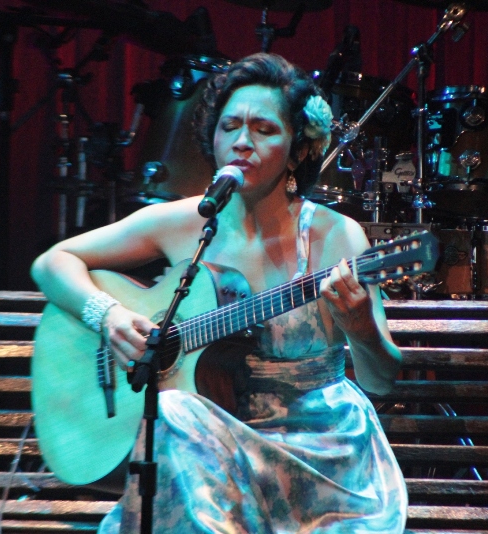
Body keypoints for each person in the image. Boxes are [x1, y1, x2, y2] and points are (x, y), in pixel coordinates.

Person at [30, 52, 408, 533]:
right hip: (207, 454)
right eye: (229, 126)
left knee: (176, 419)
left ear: (297, 150)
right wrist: (109, 316)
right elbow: (53, 262)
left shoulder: (336, 237)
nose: (242, 142)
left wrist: (361, 329)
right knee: (175, 410)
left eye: (264, 130)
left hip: (318, 459)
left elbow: (382, 380)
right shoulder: (185, 222)